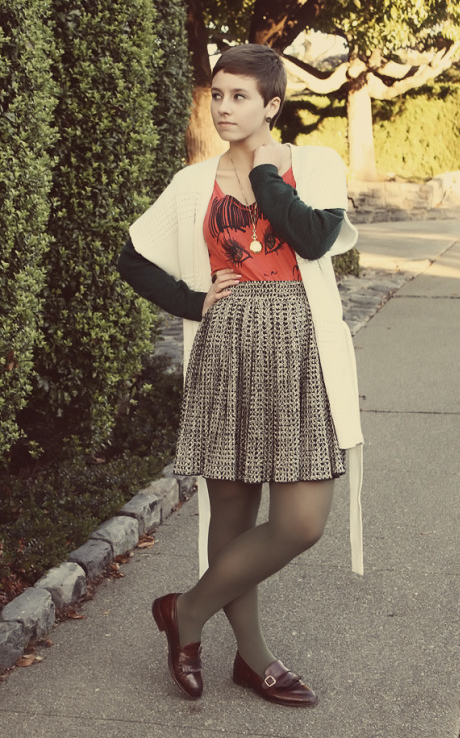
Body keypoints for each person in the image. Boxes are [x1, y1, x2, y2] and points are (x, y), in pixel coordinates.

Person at [118, 43, 364, 707]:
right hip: (227, 348)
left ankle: (186, 613)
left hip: (298, 350)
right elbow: (132, 258)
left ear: (272, 105)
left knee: (301, 520)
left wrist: (264, 175)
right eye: (218, 95)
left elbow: (314, 239)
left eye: (239, 97)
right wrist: (195, 303)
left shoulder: (313, 164)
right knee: (230, 507)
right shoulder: (193, 182)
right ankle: (253, 660)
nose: (223, 108)